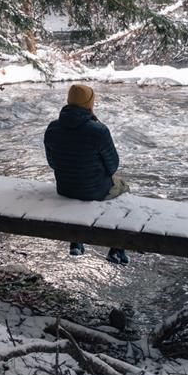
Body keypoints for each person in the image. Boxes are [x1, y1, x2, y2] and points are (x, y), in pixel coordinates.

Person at [43, 83, 130, 264]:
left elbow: (52, 164)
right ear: (90, 103)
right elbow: (112, 166)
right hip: (93, 191)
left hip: (65, 188)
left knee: (84, 192)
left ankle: (76, 242)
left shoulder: (52, 128)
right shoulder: (99, 131)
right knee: (122, 188)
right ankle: (116, 248)